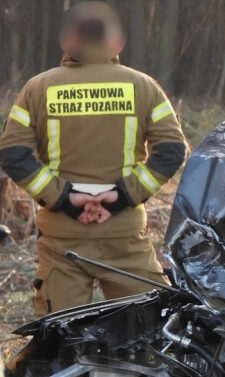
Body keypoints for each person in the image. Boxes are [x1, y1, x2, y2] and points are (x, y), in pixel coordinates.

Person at [0, 1, 186, 315]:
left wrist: (64, 197)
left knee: (58, 339)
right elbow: (171, 151)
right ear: (117, 42)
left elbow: (13, 154)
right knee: (149, 331)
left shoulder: (38, 88)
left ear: (66, 41)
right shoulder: (144, 87)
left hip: (62, 239)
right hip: (123, 235)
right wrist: (120, 196)